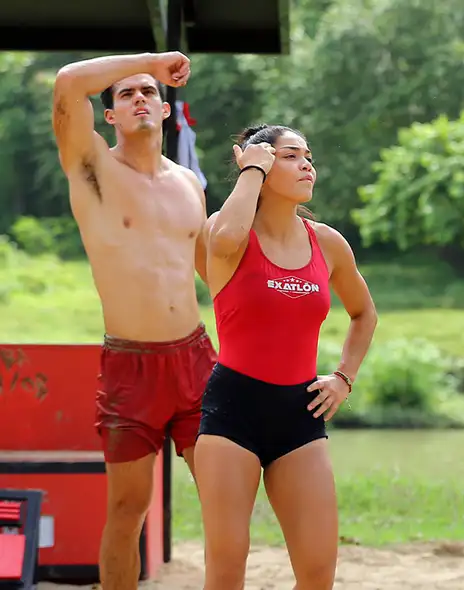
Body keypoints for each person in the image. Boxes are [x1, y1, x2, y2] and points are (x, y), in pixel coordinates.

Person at [51, 52, 217, 590]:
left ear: (166, 111)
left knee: (224, 497)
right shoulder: (92, 169)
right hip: (130, 365)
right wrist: (155, 61)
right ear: (110, 117)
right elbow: (68, 82)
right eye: (126, 95)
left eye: (148, 91)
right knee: (128, 509)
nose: (140, 98)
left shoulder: (190, 183)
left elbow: (214, 276)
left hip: (196, 359)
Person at [194, 123, 378, 589]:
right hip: (233, 411)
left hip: (299, 413)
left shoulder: (327, 242)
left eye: (308, 156)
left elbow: (363, 315)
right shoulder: (226, 233)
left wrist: (343, 377)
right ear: (261, 164)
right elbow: (223, 241)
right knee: (227, 566)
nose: (307, 165)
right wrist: (251, 170)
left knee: (318, 572)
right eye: (292, 156)